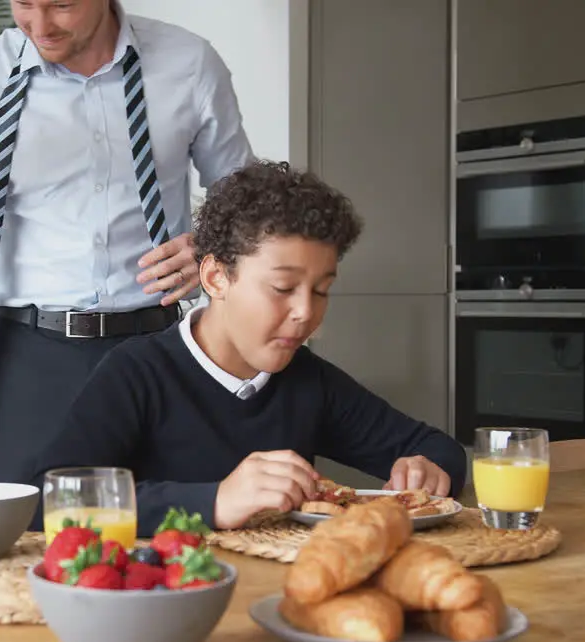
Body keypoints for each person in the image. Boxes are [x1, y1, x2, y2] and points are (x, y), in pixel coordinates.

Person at [0, 0, 255, 486]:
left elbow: (246, 203)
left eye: (62, 5)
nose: (40, 25)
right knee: (21, 540)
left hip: (158, 349)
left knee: (175, 532)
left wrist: (209, 247)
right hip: (28, 363)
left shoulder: (189, 63)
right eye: (24, 4)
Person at [27, 160, 467, 533]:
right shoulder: (137, 373)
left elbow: (437, 447)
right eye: (283, 287)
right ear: (216, 278)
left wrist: (428, 468)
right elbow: (46, 503)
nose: (304, 313)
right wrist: (214, 501)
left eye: (321, 290)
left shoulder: (306, 379)